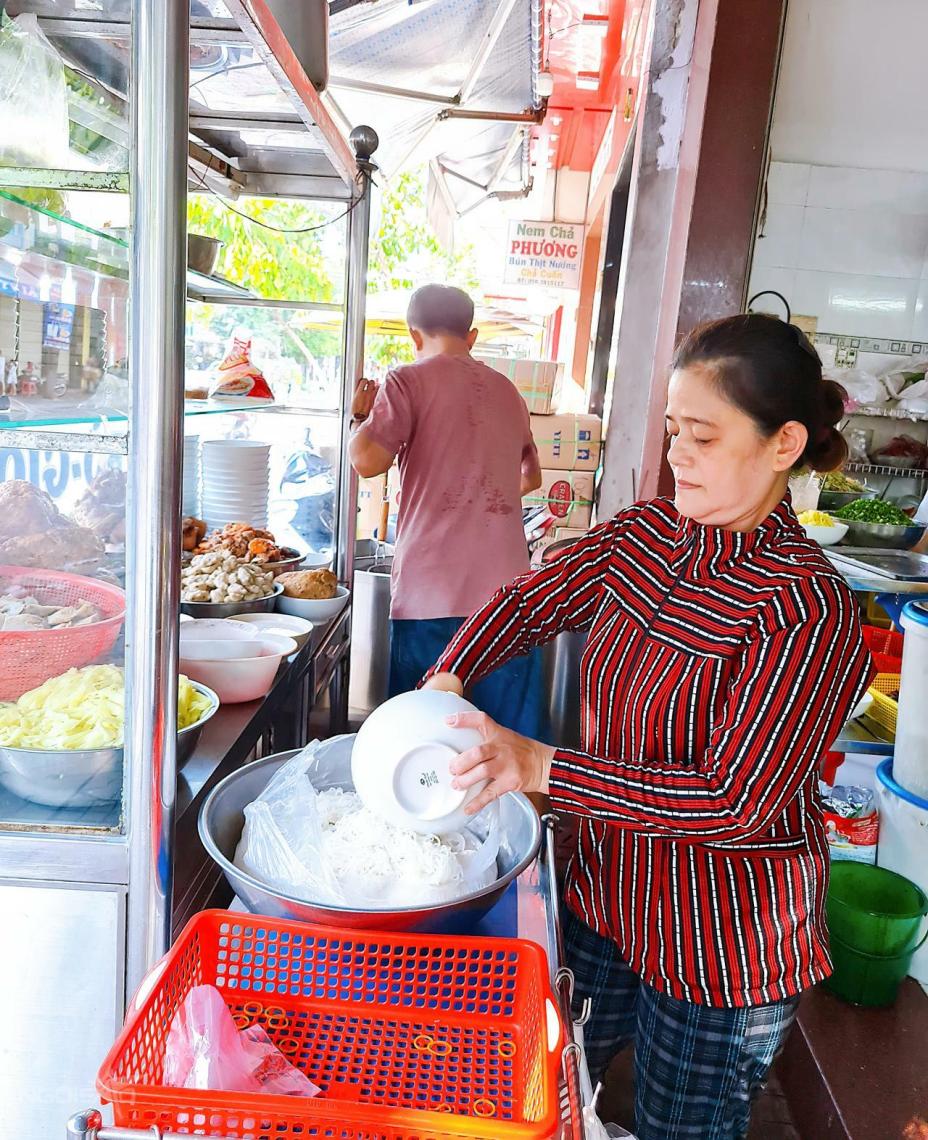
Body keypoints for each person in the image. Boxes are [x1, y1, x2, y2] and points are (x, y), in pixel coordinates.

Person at [423, 313, 873, 1140]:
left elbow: (737, 803)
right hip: (609, 889)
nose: (678, 455)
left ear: (783, 445)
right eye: (673, 431)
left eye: (703, 436)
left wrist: (541, 767)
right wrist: (449, 674)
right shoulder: (647, 535)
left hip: (722, 942)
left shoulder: (804, 611)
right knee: (555, 1085)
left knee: (682, 1126)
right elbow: (532, 599)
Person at [348, 283, 546, 737]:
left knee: (422, 741)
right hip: (507, 600)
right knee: (508, 743)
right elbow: (530, 479)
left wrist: (359, 416)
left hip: (429, 593)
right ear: (471, 336)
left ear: (413, 335)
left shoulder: (405, 380)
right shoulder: (508, 391)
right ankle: (523, 813)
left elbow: (367, 462)